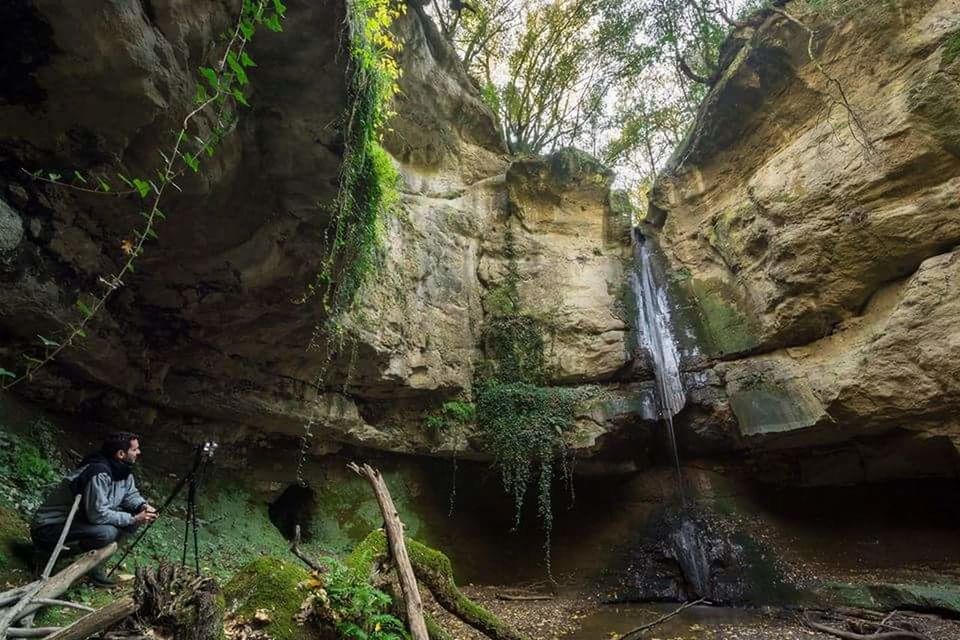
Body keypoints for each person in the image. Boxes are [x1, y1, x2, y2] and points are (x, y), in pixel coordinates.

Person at [30, 431, 158, 586]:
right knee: (107, 533)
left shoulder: (122, 469)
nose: (139, 452)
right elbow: (97, 515)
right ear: (121, 453)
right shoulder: (99, 472)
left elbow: (130, 494)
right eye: (135, 449)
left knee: (130, 522)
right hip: (49, 528)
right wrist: (133, 518)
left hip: (77, 522)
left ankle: (95, 566)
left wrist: (142, 506)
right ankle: (47, 556)